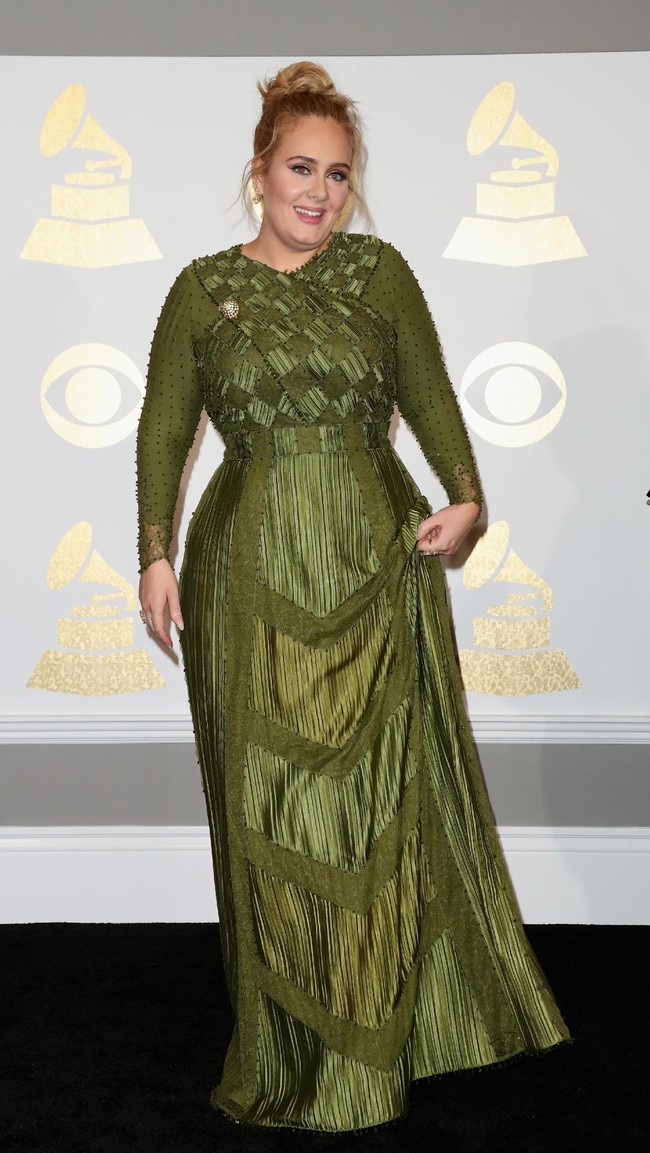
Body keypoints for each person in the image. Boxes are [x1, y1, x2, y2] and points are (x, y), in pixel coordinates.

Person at [136, 61, 569, 1133]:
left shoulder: (378, 276)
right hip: (245, 571)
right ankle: (286, 1040)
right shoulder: (200, 290)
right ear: (257, 171)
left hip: (372, 563)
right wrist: (152, 551)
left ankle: (377, 1041)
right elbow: (160, 431)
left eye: (337, 174)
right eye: (299, 168)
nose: (319, 192)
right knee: (264, 811)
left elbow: (429, 400)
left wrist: (466, 501)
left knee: (375, 807)